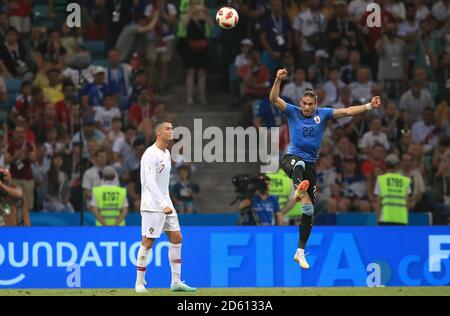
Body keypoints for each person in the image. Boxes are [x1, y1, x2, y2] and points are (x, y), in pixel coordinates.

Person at [269, 68, 381, 269]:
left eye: (311, 105)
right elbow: (274, 98)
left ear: (316, 104)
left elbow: (347, 111)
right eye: (304, 104)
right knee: (300, 164)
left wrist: (368, 106)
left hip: (310, 167)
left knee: (309, 210)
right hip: (291, 160)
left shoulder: (324, 114)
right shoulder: (293, 111)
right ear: (300, 103)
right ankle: (298, 188)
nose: (307, 108)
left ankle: (300, 252)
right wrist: (278, 79)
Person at [135, 120, 195, 293]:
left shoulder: (167, 153)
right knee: (147, 242)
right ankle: (139, 283)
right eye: (168, 129)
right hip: (153, 205)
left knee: (177, 238)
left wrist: (167, 203)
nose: (171, 131)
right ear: (158, 133)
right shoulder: (150, 154)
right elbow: (150, 183)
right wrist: (162, 204)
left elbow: (162, 184)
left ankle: (176, 282)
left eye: (172, 128)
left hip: (165, 203)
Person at [374, 154, 412, 225]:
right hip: (401, 219)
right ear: (397, 165)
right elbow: (407, 203)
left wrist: (377, 220)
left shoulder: (381, 179)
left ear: (386, 165)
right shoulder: (405, 181)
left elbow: (378, 203)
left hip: (385, 218)